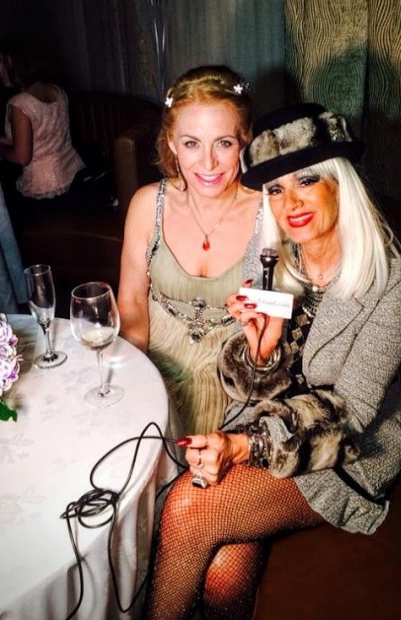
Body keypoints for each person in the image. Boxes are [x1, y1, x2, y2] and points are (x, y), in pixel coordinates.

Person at [144, 103, 401, 619]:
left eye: (307, 180)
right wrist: (261, 352)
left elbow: (353, 410)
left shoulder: (391, 277)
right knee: (224, 573)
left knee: (187, 507)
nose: (290, 203)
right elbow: (242, 384)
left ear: (340, 183)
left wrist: (247, 445)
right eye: (274, 189)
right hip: (262, 422)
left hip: (345, 449)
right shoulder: (269, 252)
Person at [117, 65, 262, 435]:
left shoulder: (271, 211)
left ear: (244, 140)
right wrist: (135, 382)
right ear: (171, 143)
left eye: (224, 143)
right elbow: (131, 304)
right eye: (191, 143)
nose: (208, 163)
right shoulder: (147, 204)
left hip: (236, 383)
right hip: (153, 367)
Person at [0, 39, 84, 206]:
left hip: (44, 187)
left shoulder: (20, 103)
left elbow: (22, 157)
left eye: (3, 62)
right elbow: (38, 137)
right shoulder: (57, 91)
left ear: (19, 63)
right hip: (72, 173)